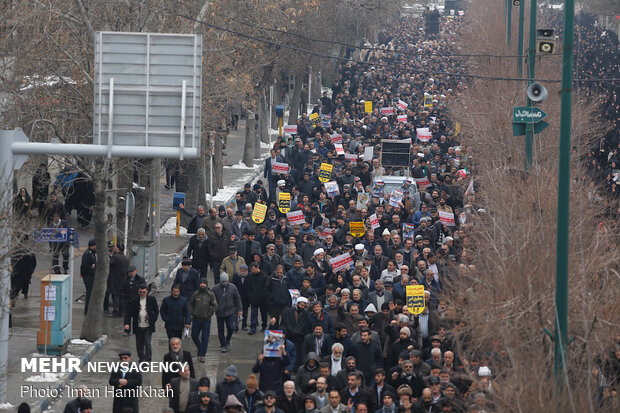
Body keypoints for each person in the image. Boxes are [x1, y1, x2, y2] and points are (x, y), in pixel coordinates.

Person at [124, 283, 158, 362]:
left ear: (147, 291)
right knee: (139, 345)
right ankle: (141, 359)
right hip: (138, 326)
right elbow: (128, 313)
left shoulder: (152, 299)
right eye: (140, 292)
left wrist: (153, 320)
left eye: (144, 292)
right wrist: (127, 323)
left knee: (148, 344)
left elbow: (156, 311)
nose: (142, 294)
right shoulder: (134, 301)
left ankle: (148, 360)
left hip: (148, 326)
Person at [189, 278, 217, 362]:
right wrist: (192, 313)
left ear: (206, 285)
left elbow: (215, 305)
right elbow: (190, 304)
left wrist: (209, 314)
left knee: (205, 337)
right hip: (196, 319)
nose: (202, 285)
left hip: (206, 320)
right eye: (201, 283)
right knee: (194, 336)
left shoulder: (210, 294)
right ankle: (200, 348)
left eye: (204, 283)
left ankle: (202, 355)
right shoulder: (196, 294)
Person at [213, 273, 242, 352]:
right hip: (220, 313)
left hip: (230, 311)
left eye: (226, 281)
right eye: (223, 282)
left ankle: (228, 339)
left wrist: (240, 309)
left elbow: (237, 298)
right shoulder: (215, 288)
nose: (225, 283)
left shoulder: (233, 287)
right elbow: (213, 300)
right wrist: (215, 309)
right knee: (221, 329)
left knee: (230, 328)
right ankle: (223, 345)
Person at [108, 243, 129, 317]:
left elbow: (108, 263)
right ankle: (121, 312)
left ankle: (116, 312)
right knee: (121, 296)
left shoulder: (116, 257)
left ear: (118, 249)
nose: (114, 248)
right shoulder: (125, 257)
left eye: (116, 247)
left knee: (115, 295)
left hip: (115, 279)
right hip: (123, 279)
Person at [79, 239, 97, 314]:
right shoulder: (88, 254)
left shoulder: (92, 253)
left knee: (91, 292)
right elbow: (85, 267)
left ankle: (89, 309)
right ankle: (87, 310)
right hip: (88, 276)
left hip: (90, 275)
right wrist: (93, 267)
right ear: (92, 246)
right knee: (89, 292)